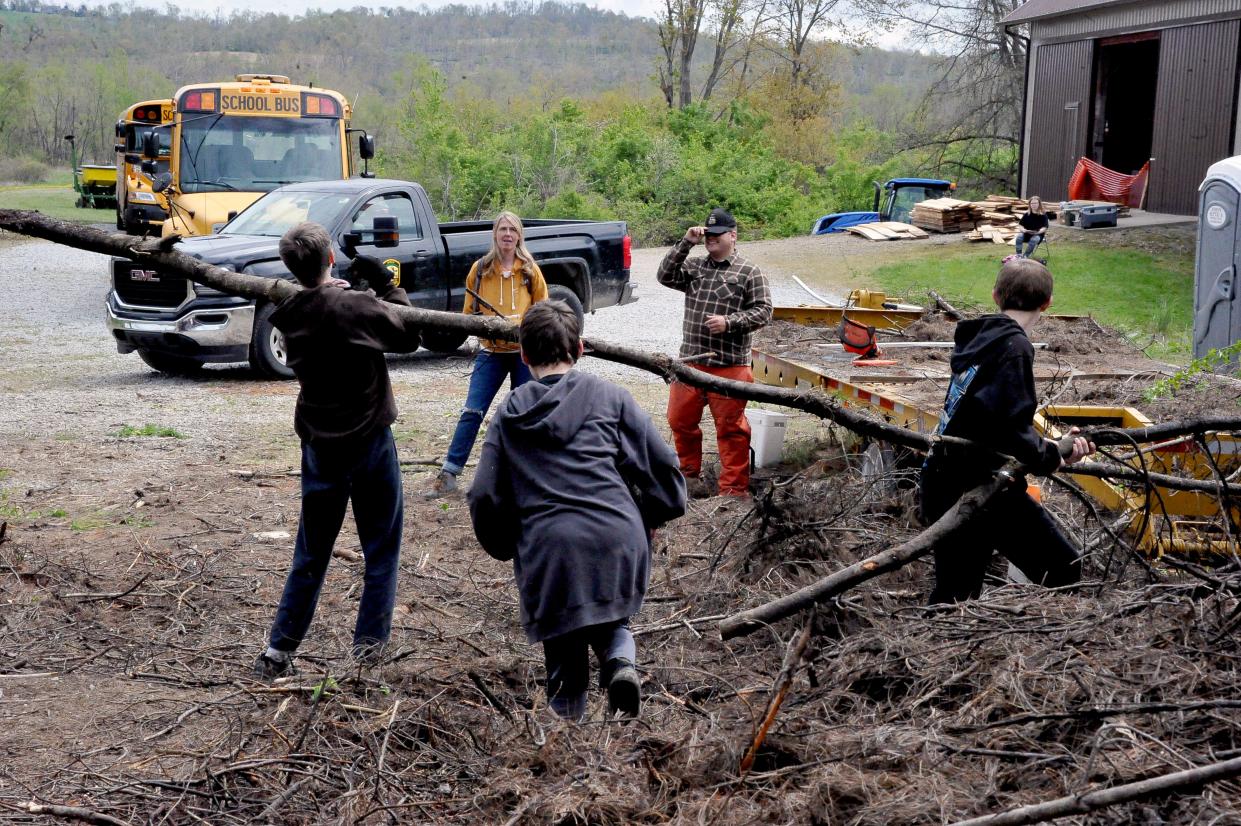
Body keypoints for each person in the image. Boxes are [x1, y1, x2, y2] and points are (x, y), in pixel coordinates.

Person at [467, 301, 687, 721]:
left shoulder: (510, 414)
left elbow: (483, 495)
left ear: (524, 355)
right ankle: (621, 662)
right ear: (581, 348)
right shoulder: (611, 396)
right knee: (613, 622)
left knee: (565, 659)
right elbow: (663, 471)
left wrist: (505, 543)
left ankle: (568, 741)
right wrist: (651, 516)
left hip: (551, 549)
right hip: (616, 536)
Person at [252, 222, 421, 679]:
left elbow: (319, 304)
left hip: (320, 445)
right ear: (331, 259)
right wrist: (386, 284)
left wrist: (340, 293)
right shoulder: (355, 306)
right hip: (368, 443)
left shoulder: (289, 312)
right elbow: (409, 335)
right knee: (381, 550)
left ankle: (277, 652)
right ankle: (367, 655)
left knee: (311, 552)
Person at [920, 257, 1094, 604]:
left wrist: (1052, 448)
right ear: (1047, 303)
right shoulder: (1014, 347)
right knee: (1062, 570)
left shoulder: (979, 338)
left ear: (996, 295)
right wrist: (1052, 454)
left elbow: (990, 419)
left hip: (949, 478)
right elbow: (1011, 428)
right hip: (979, 487)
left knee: (956, 594)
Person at [425, 211, 548, 497]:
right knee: (472, 410)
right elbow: (469, 314)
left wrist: (525, 331)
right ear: (495, 234)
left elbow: (543, 311)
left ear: (519, 236)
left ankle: (526, 476)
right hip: (490, 353)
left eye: (512, 230)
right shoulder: (480, 269)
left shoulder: (530, 270)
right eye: (503, 229)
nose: (507, 235)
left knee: (524, 414)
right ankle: (450, 472)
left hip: (522, 355)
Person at [657, 208, 772, 498]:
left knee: (732, 430)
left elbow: (764, 312)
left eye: (717, 235)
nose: (710, 240)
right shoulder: (695, 267)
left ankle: (733, 491)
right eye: (708, 235)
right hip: (691, 364)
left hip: (729, 365)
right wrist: (685, 242)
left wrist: (730, 322)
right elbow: (664, 275)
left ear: (732, 236)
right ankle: (688, 479)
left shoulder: (749, 272)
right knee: (679, 421)